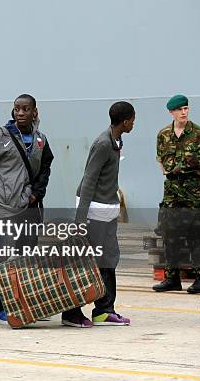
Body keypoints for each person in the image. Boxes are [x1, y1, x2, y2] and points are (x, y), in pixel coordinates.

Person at [0, 94, 54, 325]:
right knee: (2, 258)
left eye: (26, 109)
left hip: (29, 207)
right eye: (17, 109)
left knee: (25, 259)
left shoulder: (40, 140)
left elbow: (45, 167)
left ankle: (23, 303)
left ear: (35, 112)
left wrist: (38, 192)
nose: (21, 113)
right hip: (2, 209)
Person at [61, 101, 135, 328]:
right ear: (125, 121)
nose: (134, 123)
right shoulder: (103, 143)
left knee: (109, 257)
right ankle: (71, 313)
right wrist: (80, 220)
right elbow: (89, 179)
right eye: (133, 119)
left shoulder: (116, 141)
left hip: (106, 211)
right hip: (92, 212)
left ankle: (104, 310)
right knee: (84, 261)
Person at [152, 95, 200, 293]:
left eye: (186, 108)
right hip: (171, 192)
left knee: (197, 235)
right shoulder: (163, 135)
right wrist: (170, 176)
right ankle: (172, 278)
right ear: (171, 112)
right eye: (179, 109)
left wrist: (196, 184)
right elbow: (160, 160)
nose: (184, 112)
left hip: (193, 191)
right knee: (170, 234)